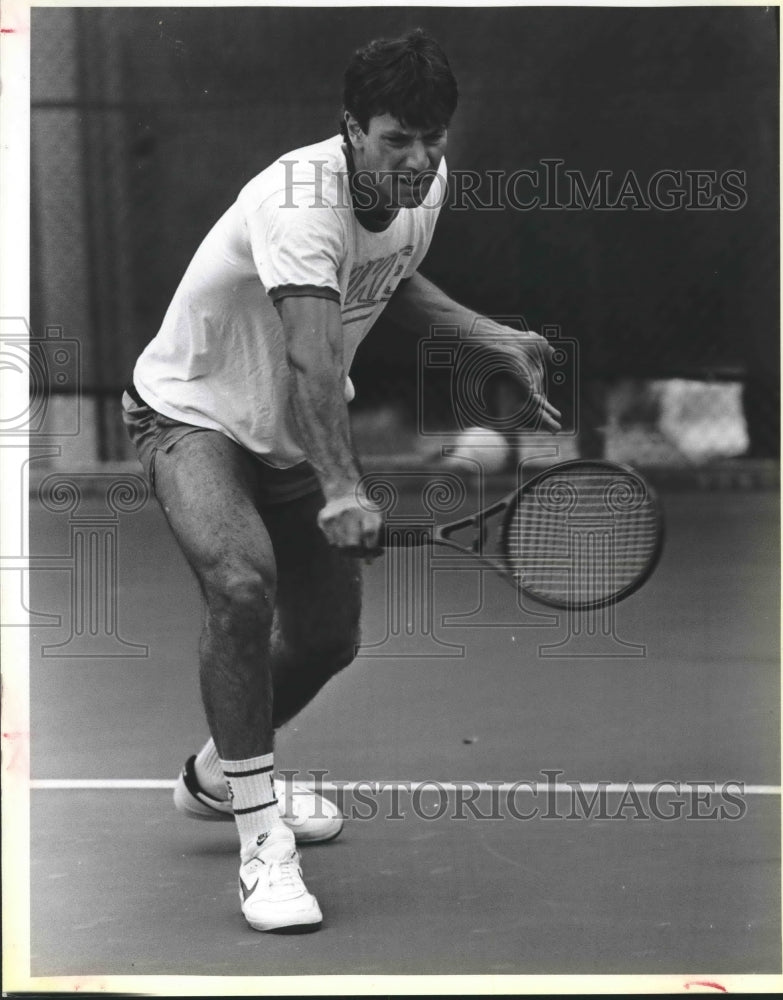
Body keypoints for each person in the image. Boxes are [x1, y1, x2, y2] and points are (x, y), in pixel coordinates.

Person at [122, 28, 560, 934]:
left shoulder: (421, 184)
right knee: (242, 586)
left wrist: (487, 335)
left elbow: (388, 276)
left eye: (433, 140)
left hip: (283, 429)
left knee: (326, 640)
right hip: (190, 414)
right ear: (351, 128)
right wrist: (343, 489)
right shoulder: (298, 201)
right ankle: (260, 837)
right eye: (396, 140)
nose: (418, 161)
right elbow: (313, 360)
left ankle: (216, 775)